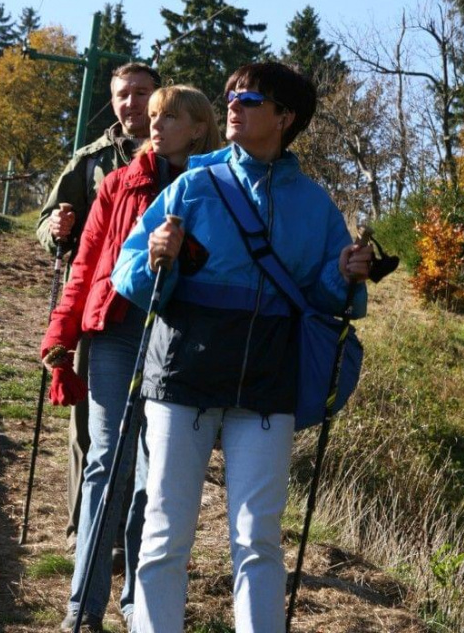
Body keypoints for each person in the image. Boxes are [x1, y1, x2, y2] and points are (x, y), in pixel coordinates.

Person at [111, 61, 373, 633]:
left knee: (258, 539)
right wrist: (157, 255)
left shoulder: (315, 205)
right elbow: (129, 276)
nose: (233, 105)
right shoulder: (194, 185)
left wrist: (346, 273)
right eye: (231, 95)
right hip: (181, 376)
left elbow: (324, 300)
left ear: (285, 118)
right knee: (164, 533)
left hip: (266, 384)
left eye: (250, 98)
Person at [41, 85, 221, 633]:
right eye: (153, 115)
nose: (153, 122)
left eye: (168, 116)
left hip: (182, 338)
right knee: (106, 462)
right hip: (118, 333)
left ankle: (137, 602)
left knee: (156, 473)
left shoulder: (217, 190)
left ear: (197, 128)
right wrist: (60, 338)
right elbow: (87, 265)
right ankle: (83, 606)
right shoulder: (119, 183)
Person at [37, 61, 161, 557]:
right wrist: (56, 230)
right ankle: (82, 531)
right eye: (122, 94)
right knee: (90, 426)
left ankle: (131, 536)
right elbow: (49, 218)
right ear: (111, 101)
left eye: (141, 93)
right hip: (97, 308)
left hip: (157, 309)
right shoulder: (90, 161)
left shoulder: (184, 155)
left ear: (158, 97)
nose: (130, 103)